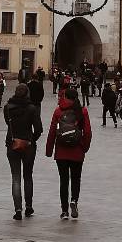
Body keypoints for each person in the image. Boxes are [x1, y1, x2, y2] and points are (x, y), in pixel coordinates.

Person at [46, 83, 92, 219]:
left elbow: (52, 131)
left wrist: (49, 150)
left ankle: (64, 211)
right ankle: (74, 201)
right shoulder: (82, 111)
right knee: (76, 178)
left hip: (61, 151)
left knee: (64, 180)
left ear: (65, 97)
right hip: (77, 151)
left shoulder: (58, 111)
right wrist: (84, 147)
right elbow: (88, 132)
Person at [4, 80, 39, 219]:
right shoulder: (32, 108)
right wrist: (31, 139)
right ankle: (29, 206)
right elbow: (39, 129)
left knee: (16, 178)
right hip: (28, 145)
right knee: (28, 176)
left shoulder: (7, 107)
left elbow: (8, 123)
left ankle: (18, 209)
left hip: (12, 144)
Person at [28, 68, 45, 141]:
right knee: (37, 116)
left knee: (30, 116)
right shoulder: (40, 85)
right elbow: (42, 94)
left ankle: (31, 129)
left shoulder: (28, 84)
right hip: (37, 103)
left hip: (30, 103)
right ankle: (39, 129)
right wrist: (39, 100)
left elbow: (27, 94)